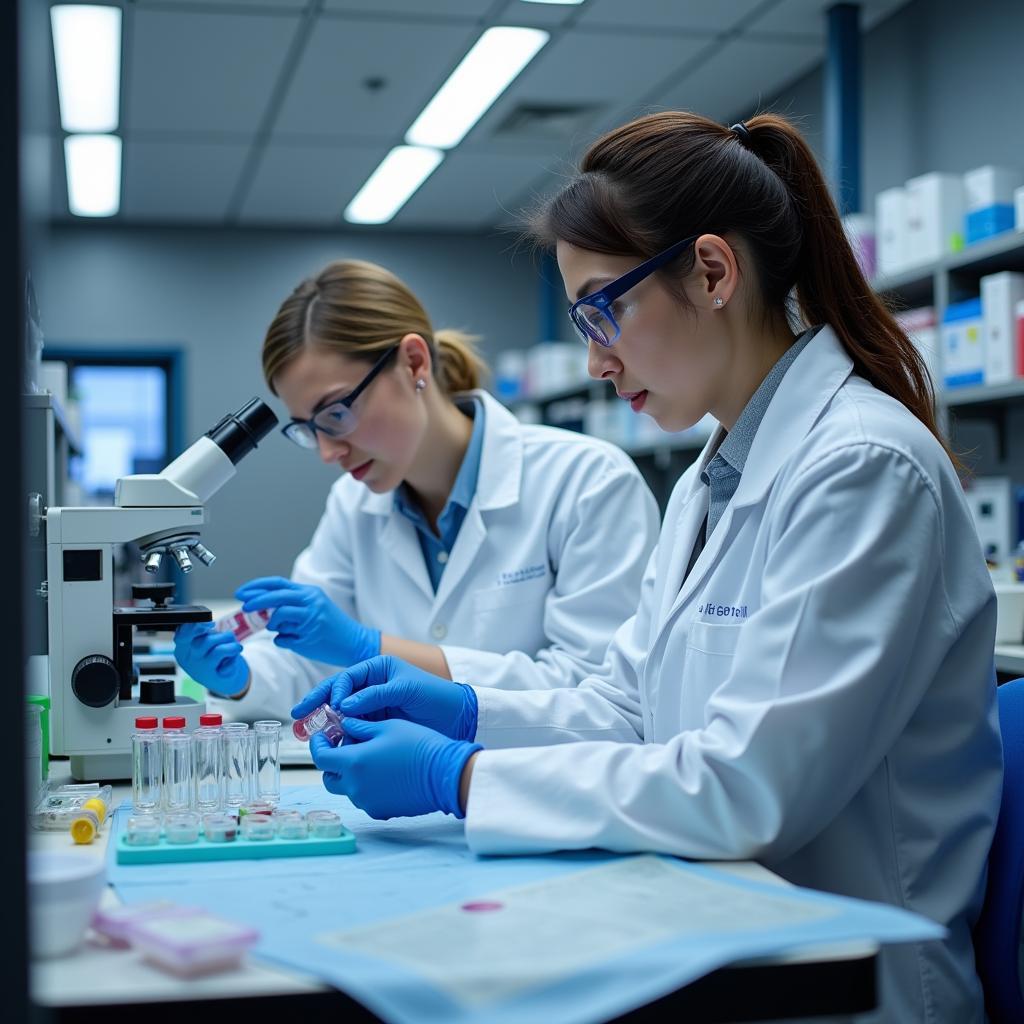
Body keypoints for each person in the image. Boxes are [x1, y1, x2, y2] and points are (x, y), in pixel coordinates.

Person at [296, 114, 1003, 1022]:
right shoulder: (710, 480)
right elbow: (629, 705)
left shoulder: (862, 466)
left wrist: (458, 778)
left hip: (847, 980)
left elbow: (746, 789)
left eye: (603, 309)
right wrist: (471, 707)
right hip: (714, 933)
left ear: (712, 272)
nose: (594, 359)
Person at [175, 258, 659, 720]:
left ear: (412, 362)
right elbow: (309, 664)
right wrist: (239, 677)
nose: (328, 453)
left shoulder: (586, 481)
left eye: (336, 414)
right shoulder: (354, 504)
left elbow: (593, 689)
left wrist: (372, 649)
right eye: (309, 429)